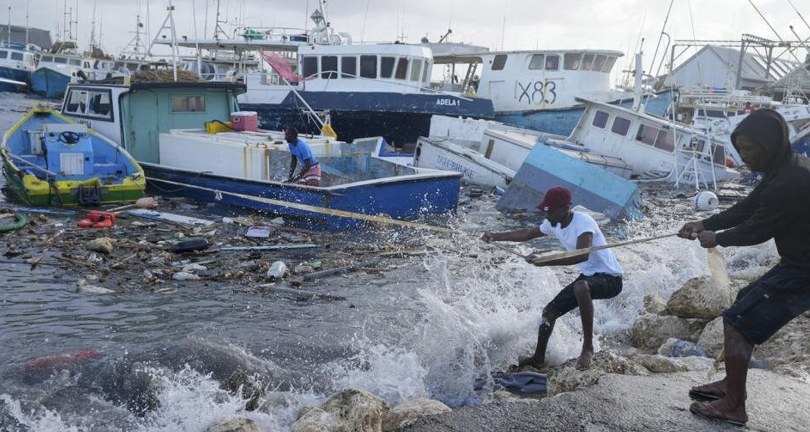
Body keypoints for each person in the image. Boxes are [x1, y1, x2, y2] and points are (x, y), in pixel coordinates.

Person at [678, 108, 810, 427]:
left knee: (737, 321)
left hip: (805, 272)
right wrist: (704, 222)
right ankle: (730, 386)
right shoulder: (786, 167)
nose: (744, 156)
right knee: (744, 302)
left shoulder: (788, 181)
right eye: (741, 149)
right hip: (798, 263)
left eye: (750, 149)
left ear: (769, 144)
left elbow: (757, 230)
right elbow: (747, 208)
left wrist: (715, 238)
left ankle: (734, 406)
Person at [482, 186, 623, 371]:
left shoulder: (583, 222)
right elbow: (527, 234)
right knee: (548, 313)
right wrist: (495, 236)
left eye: (551, 211)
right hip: (589, 277)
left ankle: (587, 348)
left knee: (581, 287)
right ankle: (538, 358)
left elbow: (582, 255)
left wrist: (544, 260)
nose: (547, 216)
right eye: (546, 211)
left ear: (566, 208)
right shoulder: (553, 223)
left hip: (611, 279)